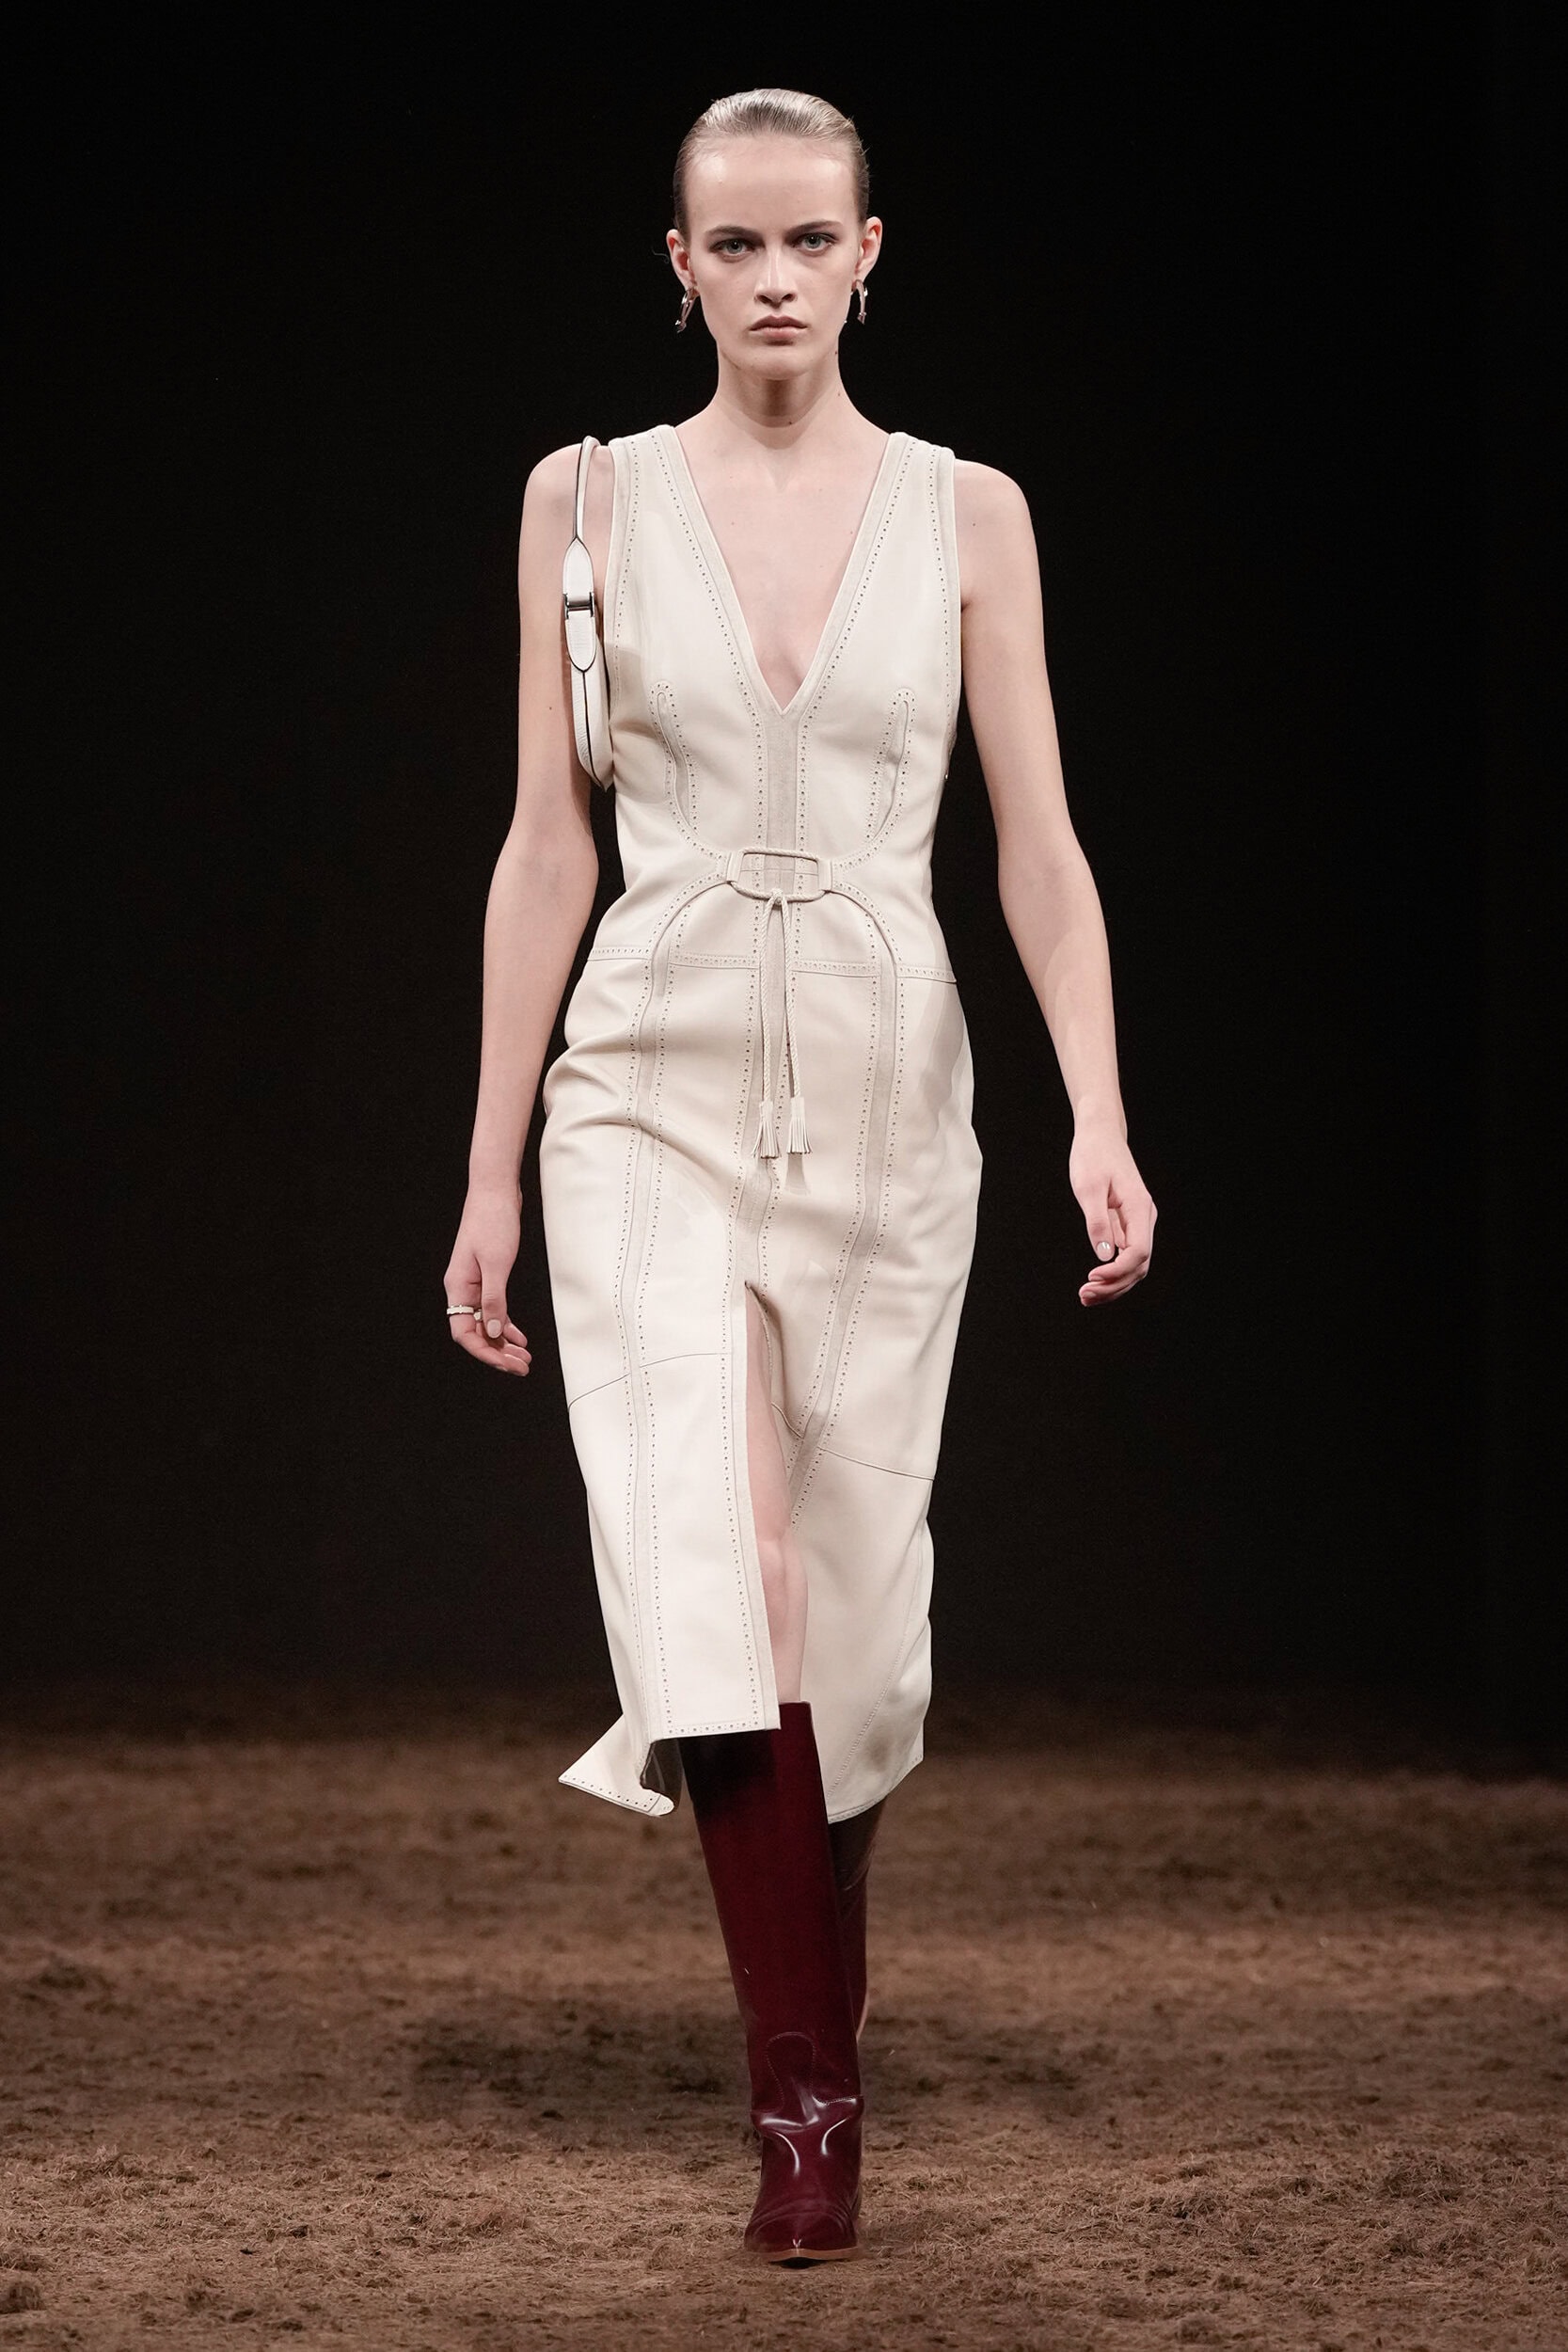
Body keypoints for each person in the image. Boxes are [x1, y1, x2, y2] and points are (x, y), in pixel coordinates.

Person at [443, 87, 1156, 2264]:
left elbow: (1038, 845)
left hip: (884, 1091)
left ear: (869, 254)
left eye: (808, 239)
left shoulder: (968, 514)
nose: (774, 277)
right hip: (644, 1082)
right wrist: (489, 1171)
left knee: (843, 1612)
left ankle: (812, 2026)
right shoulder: (581, 499)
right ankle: (807, 2112)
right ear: (678, 266)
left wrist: (1098, 1109)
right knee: (723, 1561)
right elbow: (546, 844)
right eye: (734, 243)